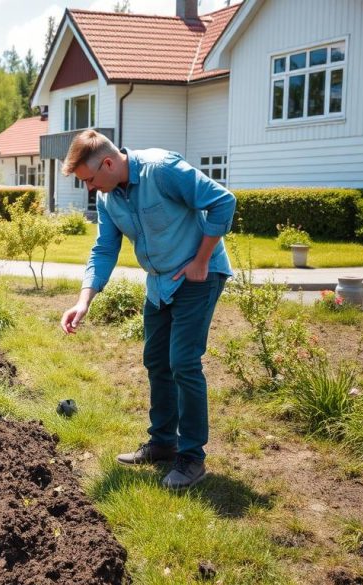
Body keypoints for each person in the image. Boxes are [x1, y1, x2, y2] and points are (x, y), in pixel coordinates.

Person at [59, 129, 236, 489]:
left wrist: (202, 260)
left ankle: (192, 458)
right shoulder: (111, 201)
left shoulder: (161, 169)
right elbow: (105, 250)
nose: (91, 189)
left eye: (90, 180)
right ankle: (163, 443)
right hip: (160, 282)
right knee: (156, 359)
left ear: (108, 163)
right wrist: (84, 300)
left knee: (183, 363)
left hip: (197, 276)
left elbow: (223, 201)